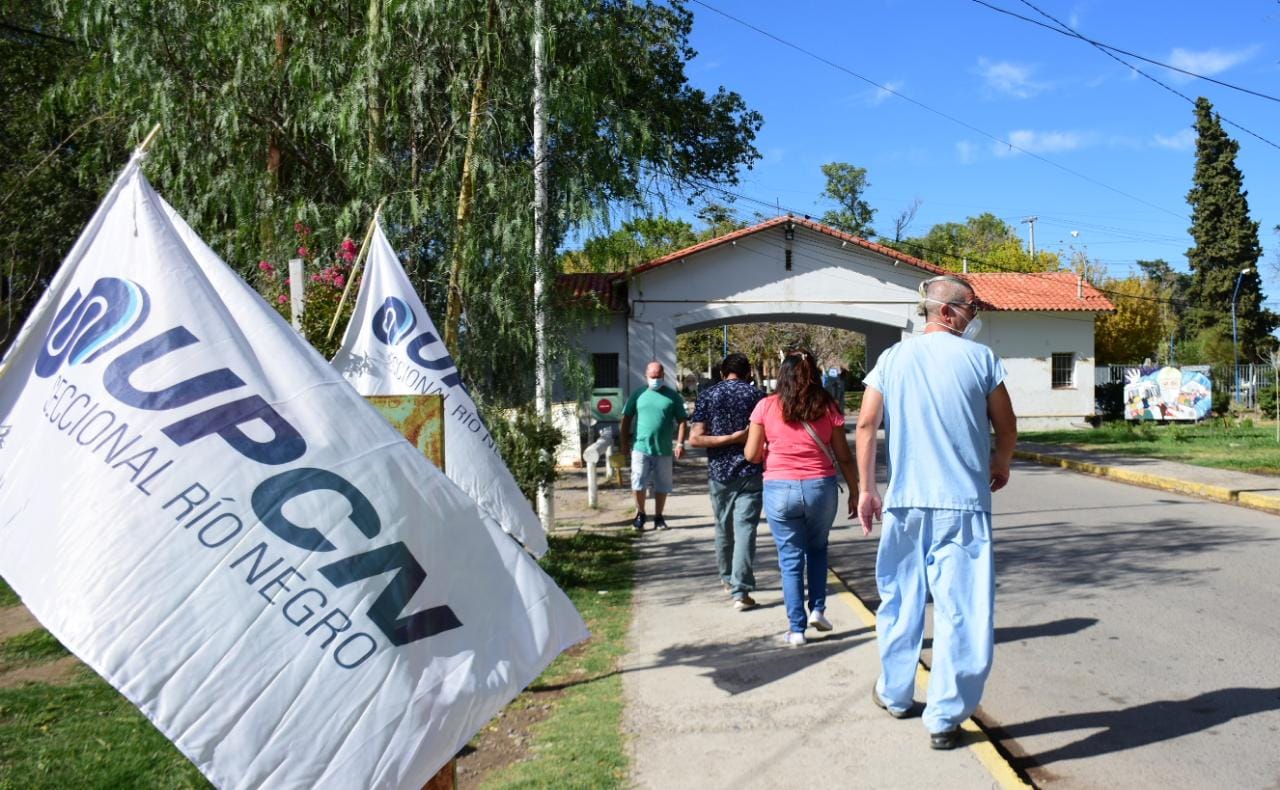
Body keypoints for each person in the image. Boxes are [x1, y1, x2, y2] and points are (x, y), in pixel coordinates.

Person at [856, 274, 1017, 751]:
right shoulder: (982, 359)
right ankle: (945, 717)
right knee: (962, 611)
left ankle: (895, 693)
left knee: (900, 602)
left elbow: (866, 424)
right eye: (971, 307)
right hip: (963, 505)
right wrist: (1000, 460)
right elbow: (1006, 425)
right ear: (946, 312)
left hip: (906, 503)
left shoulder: (891, 358)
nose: (975, 315)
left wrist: (867, 490)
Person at [745, 349, 860, 646]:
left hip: (779, 488)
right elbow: (844, 456)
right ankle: (818, 610)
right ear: (815, 376)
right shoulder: (828, 407)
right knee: (818, 549)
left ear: (783, 374)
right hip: (820, 487)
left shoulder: (766, 407)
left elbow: (751, 454)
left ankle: (796, 630)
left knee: (790, 559)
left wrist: (767, 450)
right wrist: (856, 491)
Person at [689, 353, 765, 611]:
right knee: (746, 530)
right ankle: (740, 591)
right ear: (747, 373)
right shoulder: (757, 397)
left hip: (719, 473)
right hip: (750, 470)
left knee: (723, 526)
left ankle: (726, 579)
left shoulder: (708, 396)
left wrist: (725, 439)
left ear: (723, 373)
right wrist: (736, 438)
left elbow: (695, 439)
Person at [620, 360, 688, 532]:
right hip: (640, 447)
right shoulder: (638, 394)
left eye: (658, 376)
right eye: (652, 376)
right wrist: (623, 442)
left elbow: (682, 421)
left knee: (662, 485)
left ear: (663, 376)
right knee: (638, 482)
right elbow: (626, 418)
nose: (655, 379)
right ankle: (640, 514)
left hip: (663, 449)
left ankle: (659, 517)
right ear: (646, 376)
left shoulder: (673, 396)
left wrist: (680, 443)